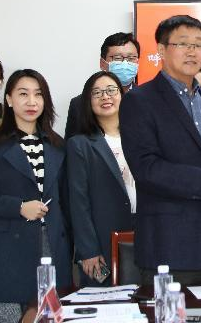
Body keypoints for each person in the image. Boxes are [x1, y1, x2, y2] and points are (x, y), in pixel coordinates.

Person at [119, 15, 201, 286]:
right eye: (183, 43)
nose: (192, 51)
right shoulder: (139, 101)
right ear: (161, 50)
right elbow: (147, 168)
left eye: (198, 45)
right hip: (171, 240)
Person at [0, 69, 71, 322]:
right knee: (9, 317)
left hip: (51, 243)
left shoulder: (57, 144)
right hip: (7, 247)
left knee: (50, 317)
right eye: (23, 94)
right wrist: (19, 207)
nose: (31, 101)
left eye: (38, 94)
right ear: (9, 99)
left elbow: (66, 199)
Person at [68, 71, 136, 287]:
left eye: (111, 90)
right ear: (88, 102)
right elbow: (78, 202)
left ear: (122, 95)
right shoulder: (80, 144)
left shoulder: (140, 136)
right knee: (106, 300)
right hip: (103, 237)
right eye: (96, 93)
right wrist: (88, 250)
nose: (105, 96)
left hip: (144, 232)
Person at [65, 32, 141, 139]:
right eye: (117, 58)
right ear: (102, 63)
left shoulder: (148, 100)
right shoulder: (79, 104)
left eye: (131, 58)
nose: (125, 63)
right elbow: (73, 145)